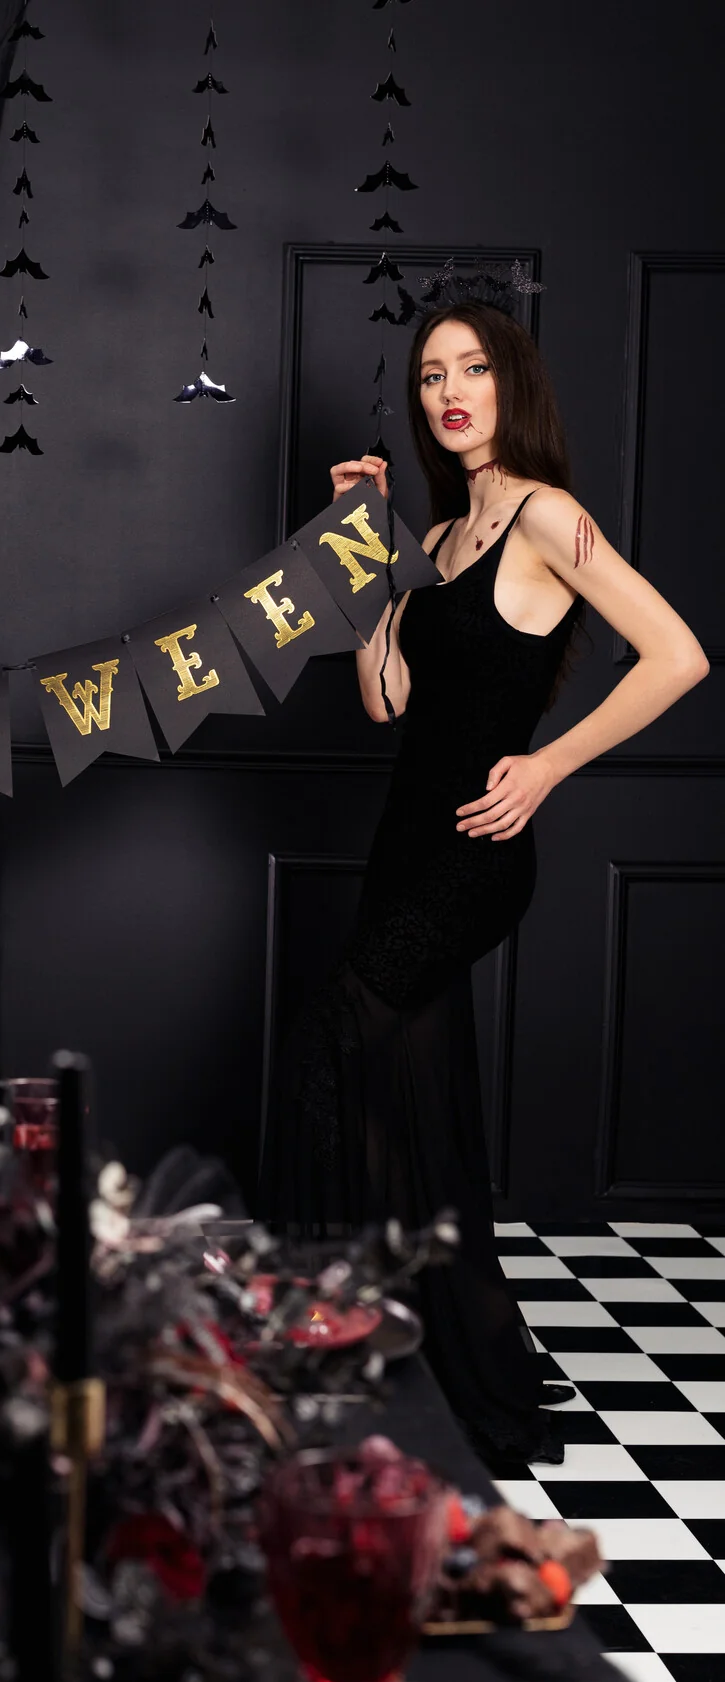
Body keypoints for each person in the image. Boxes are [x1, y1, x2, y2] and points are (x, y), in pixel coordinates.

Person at [267, 274, 707, 1468]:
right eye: (431, 375)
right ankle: (428, 1369)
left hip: (474, 850)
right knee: (410, 1113)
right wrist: (360, 551)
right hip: (401, 842)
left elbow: (678, 653)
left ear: (511, 384)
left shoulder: (548, 518)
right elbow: (383, 698)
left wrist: (549, 765)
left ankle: (334, 1346)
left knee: (326, 1049)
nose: (450, 392)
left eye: (471, 369)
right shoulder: (434, 539)